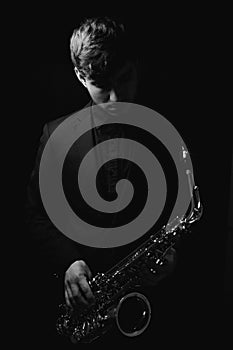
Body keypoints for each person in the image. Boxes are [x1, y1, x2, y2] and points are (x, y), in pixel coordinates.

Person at [26, 16, 176, 345]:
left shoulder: (167, 134)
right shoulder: (56, 136)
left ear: (136, 65)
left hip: (153, 310)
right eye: (101, 87)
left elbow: (183, 212)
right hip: (87, 310)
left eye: (124, 79)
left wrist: (175, 255)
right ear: (80, 76)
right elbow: (34, 215)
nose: (116, 99)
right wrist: (68, 263)